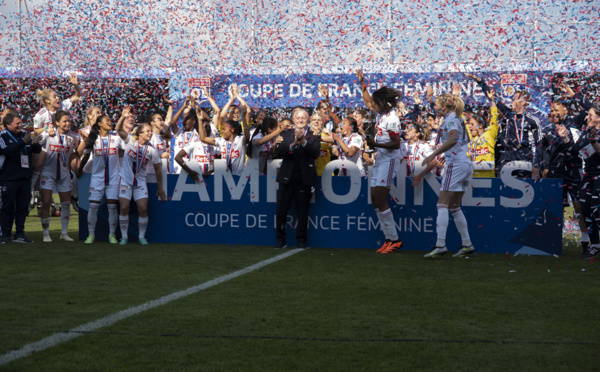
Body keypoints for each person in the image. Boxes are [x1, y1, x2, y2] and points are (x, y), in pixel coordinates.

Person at [356, 68, 404, 254]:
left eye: (376, 103)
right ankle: (388, 238)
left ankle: (395, 240)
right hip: (380, 159)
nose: (372, 106)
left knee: (381, 199)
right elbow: (368, 101)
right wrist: (362, 82)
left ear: (382, 103)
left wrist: (375, 143)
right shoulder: (381, 114)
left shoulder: (391, 119)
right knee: (375, 199)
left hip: (389, 160)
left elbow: (396, 143)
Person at [421, 94, 475, 258]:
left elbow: (453, 139)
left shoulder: (451, 118)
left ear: (444, 107)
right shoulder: (456, 118)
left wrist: (434, 154)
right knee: (454, 206)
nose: (434, 107)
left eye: (436, 104)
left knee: (442, 204)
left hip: (456, 164)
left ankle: (440, 245)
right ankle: (467, 244)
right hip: (463, 162)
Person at [467, 74, 542, 178]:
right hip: (506, 163)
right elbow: (494, 98)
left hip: (524, 163)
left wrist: (537, 167)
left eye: (514, 99)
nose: (511, 101)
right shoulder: (508, 116)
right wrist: (480, 81)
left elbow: (539, 144)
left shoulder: (533, 121)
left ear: (524, 102)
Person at [116, 111, 167, 245]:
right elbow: (117, 129)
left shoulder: (152, 150)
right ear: (140, 133)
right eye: (147, 131)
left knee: (143, 208)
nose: (150, 133)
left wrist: (160, 187)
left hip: (140, 181)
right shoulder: (129, 141)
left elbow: (157, 169)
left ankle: (142, 236)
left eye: (150, 131)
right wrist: (122, 116)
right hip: (125, 180)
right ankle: (124, 236)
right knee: (124, 208)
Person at [273, 108, 321, 249]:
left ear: (308, 120)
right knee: (281, 211)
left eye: (303, 118)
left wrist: (304, 142)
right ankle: (280, 240)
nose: (300, 120)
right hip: (286, 178)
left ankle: (301, 241)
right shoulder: (286, 135)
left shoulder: (314, 135)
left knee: (303, 212)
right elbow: (279, 152)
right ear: (293, 120)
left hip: (304, 179)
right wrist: (292, 145)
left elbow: (315, 153)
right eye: (298, 118)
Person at [76, 114, 127, 244]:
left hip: (114, 179)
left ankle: (112, 235)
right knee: (93, 207)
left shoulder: (117, 139)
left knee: (112, 208)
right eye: (107, 120)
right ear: (99, 124)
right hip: (97, 179)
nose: (110, 122)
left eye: (110, 120)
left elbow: (126, 152)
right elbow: (86, 157)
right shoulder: (93, 139)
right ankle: (91, 235)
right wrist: (79, 170)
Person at [37, 110, 80, 242]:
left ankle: (64, 233)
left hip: (65, 173)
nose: (68, 123)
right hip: (47, 173)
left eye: (69, 121)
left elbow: (78, 150)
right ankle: (46, 234)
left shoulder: (74, 137)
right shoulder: (48, 134)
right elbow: (34, 141)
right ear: (57, 123)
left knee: (66, 203)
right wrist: (44, 131)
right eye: (65, 121)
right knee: (46, 202)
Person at [0, 113, 42, 243]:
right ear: (8, 125)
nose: (20, 125)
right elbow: (6, 151)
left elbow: (36, 151)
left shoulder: (25, 134)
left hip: (24, 177)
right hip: (9, 178)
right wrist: (22, 143)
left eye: (20, 122)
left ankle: (20, 234)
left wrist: (35, 144)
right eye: (17, 123)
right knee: (7, 208)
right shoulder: (2, 136)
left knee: (22, 208)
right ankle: (5, 234)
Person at [578, 103, 600, 259]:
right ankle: (595, 244)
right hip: (588, 175)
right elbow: (578, 150)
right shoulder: (585, 132)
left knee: (596, 210)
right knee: (585, 210)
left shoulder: (592, 135)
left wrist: (592, 142)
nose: (588, 117)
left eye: (591, 115)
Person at [468, 90, 499, 178]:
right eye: (469, 124)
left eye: (472, 124)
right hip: (471, 179)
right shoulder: (470, 136)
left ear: (480, 125)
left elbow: (494, 118)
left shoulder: (489, 135)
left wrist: (492, 101)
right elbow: (460, 119)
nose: (469, 127)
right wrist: (455, 98)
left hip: (487, 179)